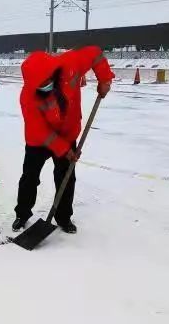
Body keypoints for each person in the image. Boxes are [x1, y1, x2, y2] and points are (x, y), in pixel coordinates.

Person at [12, 47, 114, 233]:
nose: (45, 85)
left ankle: (64, 217)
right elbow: (39, 131)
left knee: (66, 178)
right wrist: (64, 149)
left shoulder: (71, 64)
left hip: (68, 132)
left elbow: (95, 53)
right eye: (40, 84)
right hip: (40, 141)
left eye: (47, 80)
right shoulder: (28, 97)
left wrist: (105, 78)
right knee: (29, 178)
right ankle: (22, 214)